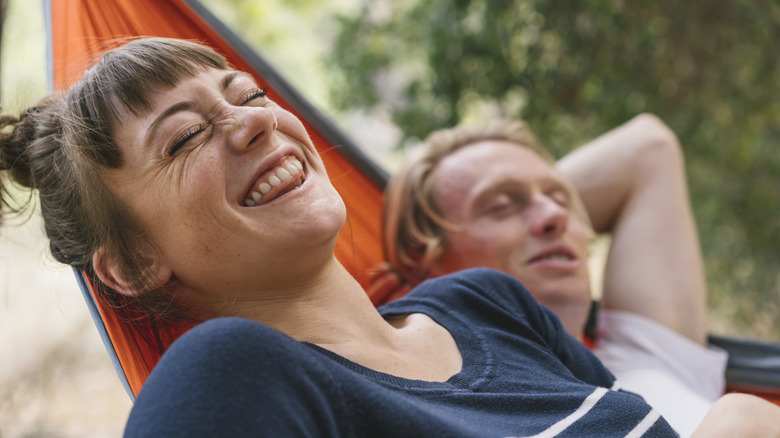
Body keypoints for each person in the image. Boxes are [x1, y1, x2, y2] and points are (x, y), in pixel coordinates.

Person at [0, 37, 777, 437]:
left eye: (249, 93)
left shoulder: (489, 305)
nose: (252, 122)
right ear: (134, 264)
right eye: (183, 140)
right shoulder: (233, 375)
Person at [378, 118, 733, 436]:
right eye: (500, 206)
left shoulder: (648, 358)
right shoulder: (444, 410)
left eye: (563, 201)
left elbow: (649, 148)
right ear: (424, 259)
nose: (555, 216)